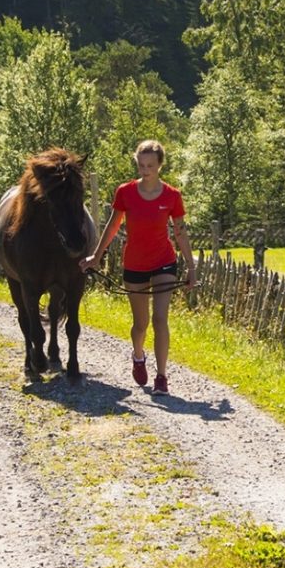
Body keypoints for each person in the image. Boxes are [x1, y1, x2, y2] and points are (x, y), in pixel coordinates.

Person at [80, 139, 195, 395]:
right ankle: (138, 355)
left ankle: (162, 377)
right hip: (135, 264)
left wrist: (191, 266)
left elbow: (181, 232)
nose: (145, 170)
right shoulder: (126, 192)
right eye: (141, 165)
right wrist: (96, 257)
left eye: (150, 166)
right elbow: (112, 226)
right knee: (140, 323)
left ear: (159, 166)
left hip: (164, 262)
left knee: (160, 318)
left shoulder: (172, 196)